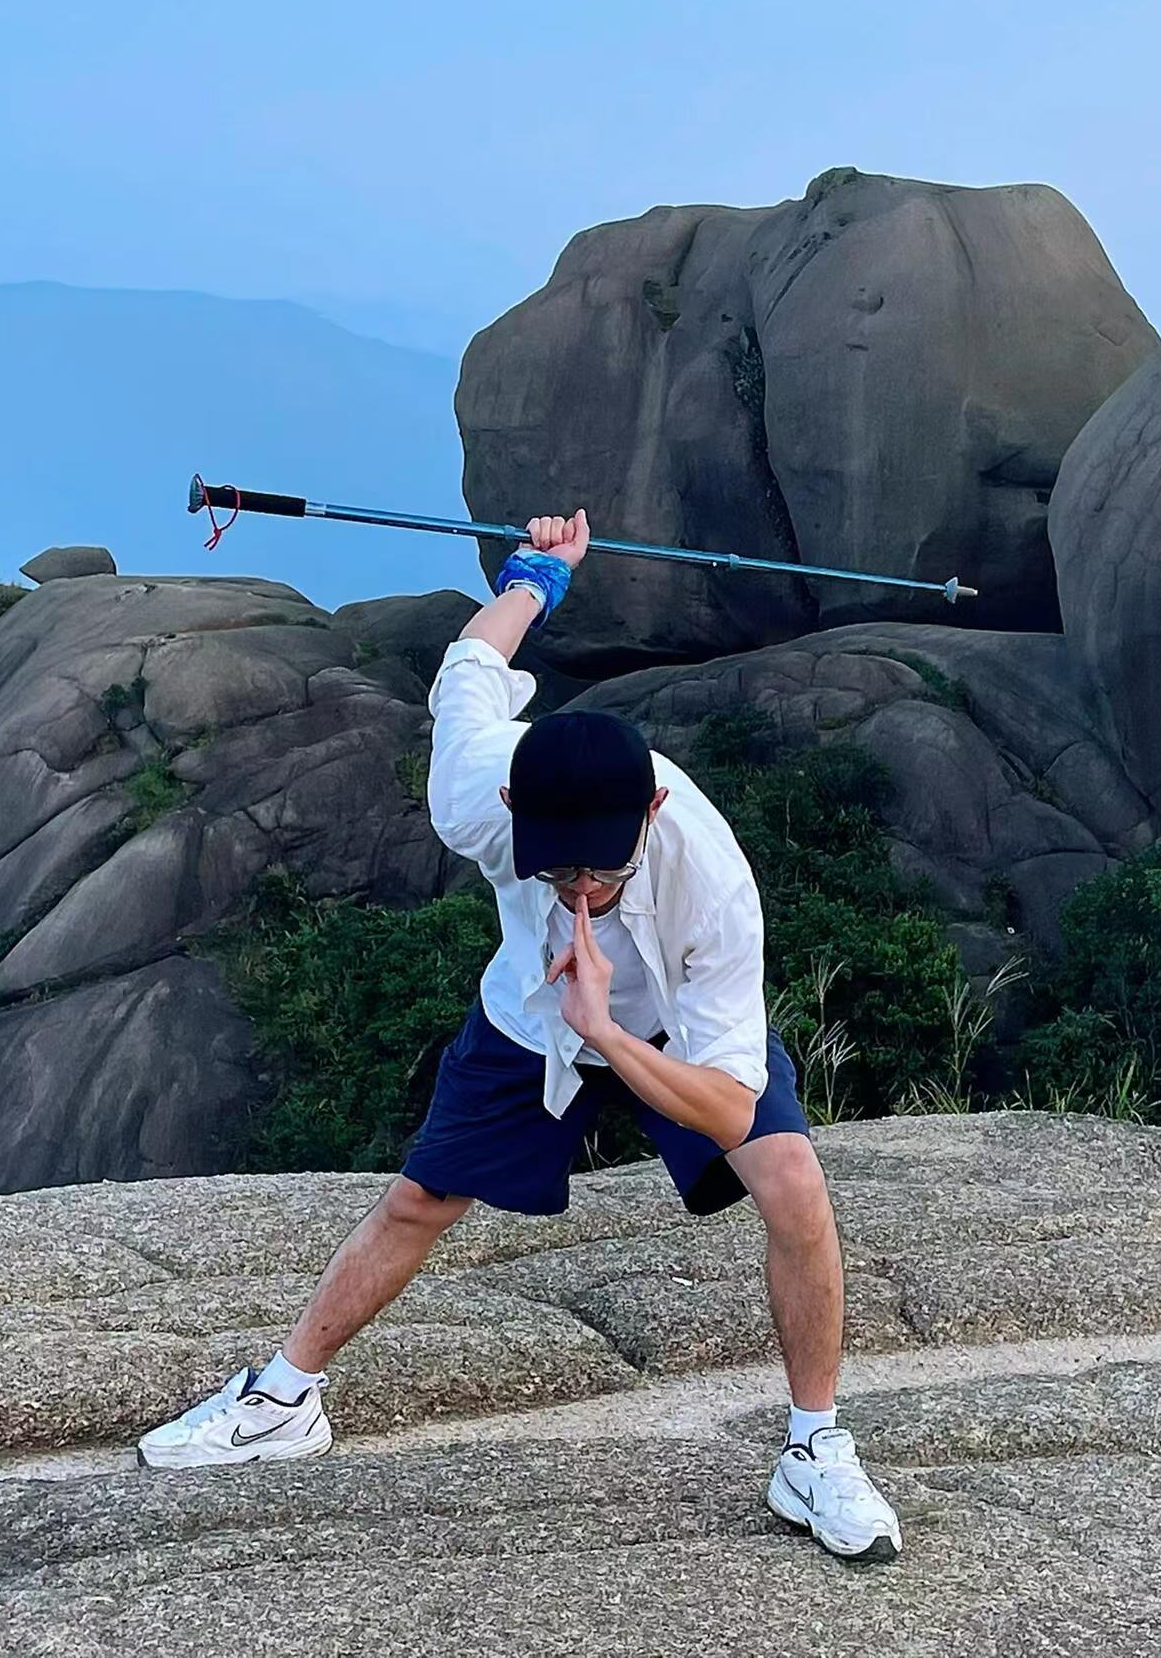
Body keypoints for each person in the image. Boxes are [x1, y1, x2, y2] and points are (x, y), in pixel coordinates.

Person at [137, 509, 904, 1561]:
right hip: (527, 1017)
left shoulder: (712, 884)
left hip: (667, 1028)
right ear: (511, 800)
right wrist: (537, 576)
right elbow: (471, 663)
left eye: (603, 868)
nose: (581, 889)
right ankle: (282, 1400)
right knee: (421, 1199)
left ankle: (814, 1448)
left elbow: (730, 1104)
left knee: (795, 1186)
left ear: (651, 811)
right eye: (559, 868)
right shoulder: (477, 790)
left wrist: (610, 1032)